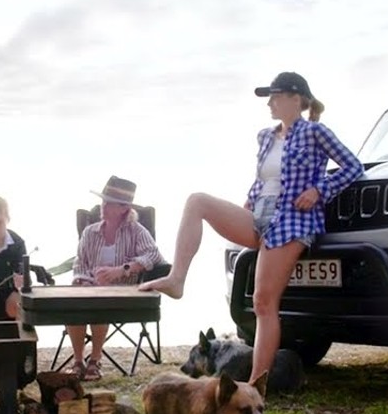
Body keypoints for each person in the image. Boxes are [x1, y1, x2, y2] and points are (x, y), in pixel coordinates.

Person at [140, 72, 364, 389]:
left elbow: (354, 167)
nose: (270, 102)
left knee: (263, 303)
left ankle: (256, 386)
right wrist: (248, 200)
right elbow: (263, 180)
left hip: (292, 219)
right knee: (197, 202)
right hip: (260, 214)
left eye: (276, 96)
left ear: (296, 99)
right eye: (269, 97)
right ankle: (177, 279)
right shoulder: (266, 137)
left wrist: (319, 190)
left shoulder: (315, 133)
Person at [70, 176, 167, 381]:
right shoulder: (89, 232)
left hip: (123, 293)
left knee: (100, 303)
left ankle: (95, 361)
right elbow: (79, 264)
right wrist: (81, 279)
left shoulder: (136, 231)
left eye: (109, 203)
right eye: (103, 201)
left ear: (124, 208)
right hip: (90, 288)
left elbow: (154, 256)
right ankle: (78, 362)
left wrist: (120, 270)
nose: (102, 206)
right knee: (73, 302)